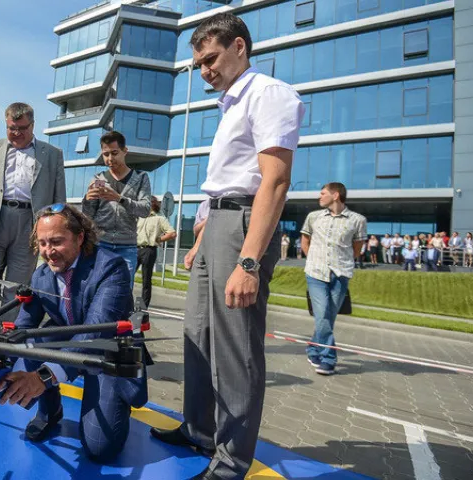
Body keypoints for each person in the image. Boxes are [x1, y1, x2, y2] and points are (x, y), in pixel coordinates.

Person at [148, 13, 304, 480]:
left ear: (240, 47)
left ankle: (232, 459)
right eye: (199, 64)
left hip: (242, 227)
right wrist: (200, 239)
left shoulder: (269, 94)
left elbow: (273, 183)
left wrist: (249, 261)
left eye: (210, 59)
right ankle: (198, 429)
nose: (205, 71)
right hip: (215, 224)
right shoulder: (229, 104)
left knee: (235, 349)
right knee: (197, 336)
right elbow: (220, 184)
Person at [0, 204, 147, 463]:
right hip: (69, 347)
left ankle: (116, 403)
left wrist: (42, 378)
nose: (48, 252)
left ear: (80, 237)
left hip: (109, 354)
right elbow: (22, 328)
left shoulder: (112, 267)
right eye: (42, 243)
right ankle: (50, 411)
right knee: (30, 341)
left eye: (56, 241)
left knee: (101, 449)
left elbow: (96, 332)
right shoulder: (41, 275)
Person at [0, 103, 66, 318]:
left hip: (31, 225)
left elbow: (59, 198)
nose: (16, 133)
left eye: (22, 128)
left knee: (17, 286)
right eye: (11, 128)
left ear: (33, 125)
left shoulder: (53, 154)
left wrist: (54, 232)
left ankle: (7, 334)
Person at [300, 183, 366, 375]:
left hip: (341, 273)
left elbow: (357, 248)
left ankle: (313, 348)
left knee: (328, 317)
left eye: (323, 193)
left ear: (335, 195)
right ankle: (329, 358)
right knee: (322, 315)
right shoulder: (314, 217)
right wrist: (313, 260)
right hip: (315, 273)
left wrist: (343, 262)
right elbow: (305, 241)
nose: (319, 197)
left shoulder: (358, 220)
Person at [82, 131, 151, 287]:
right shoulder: (99, 178)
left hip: (127, 246)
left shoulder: (140, 177)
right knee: (96, 288)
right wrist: (87, 200)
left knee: (123, 291)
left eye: (114, 153)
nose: (110, 159)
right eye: (106, 154)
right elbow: (88, 216)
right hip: (100, 244)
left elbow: (145, 210)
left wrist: (119, 198)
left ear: (124, 151)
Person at [136, 196, 176, 307]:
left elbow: (172, 233)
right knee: (127, 276)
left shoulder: (160, 218)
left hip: (149, 250)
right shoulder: (140, 217)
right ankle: (125, 302)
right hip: (135, 249)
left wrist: (158, 239)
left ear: (151, 204)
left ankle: (143, 306)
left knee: (146, 279)